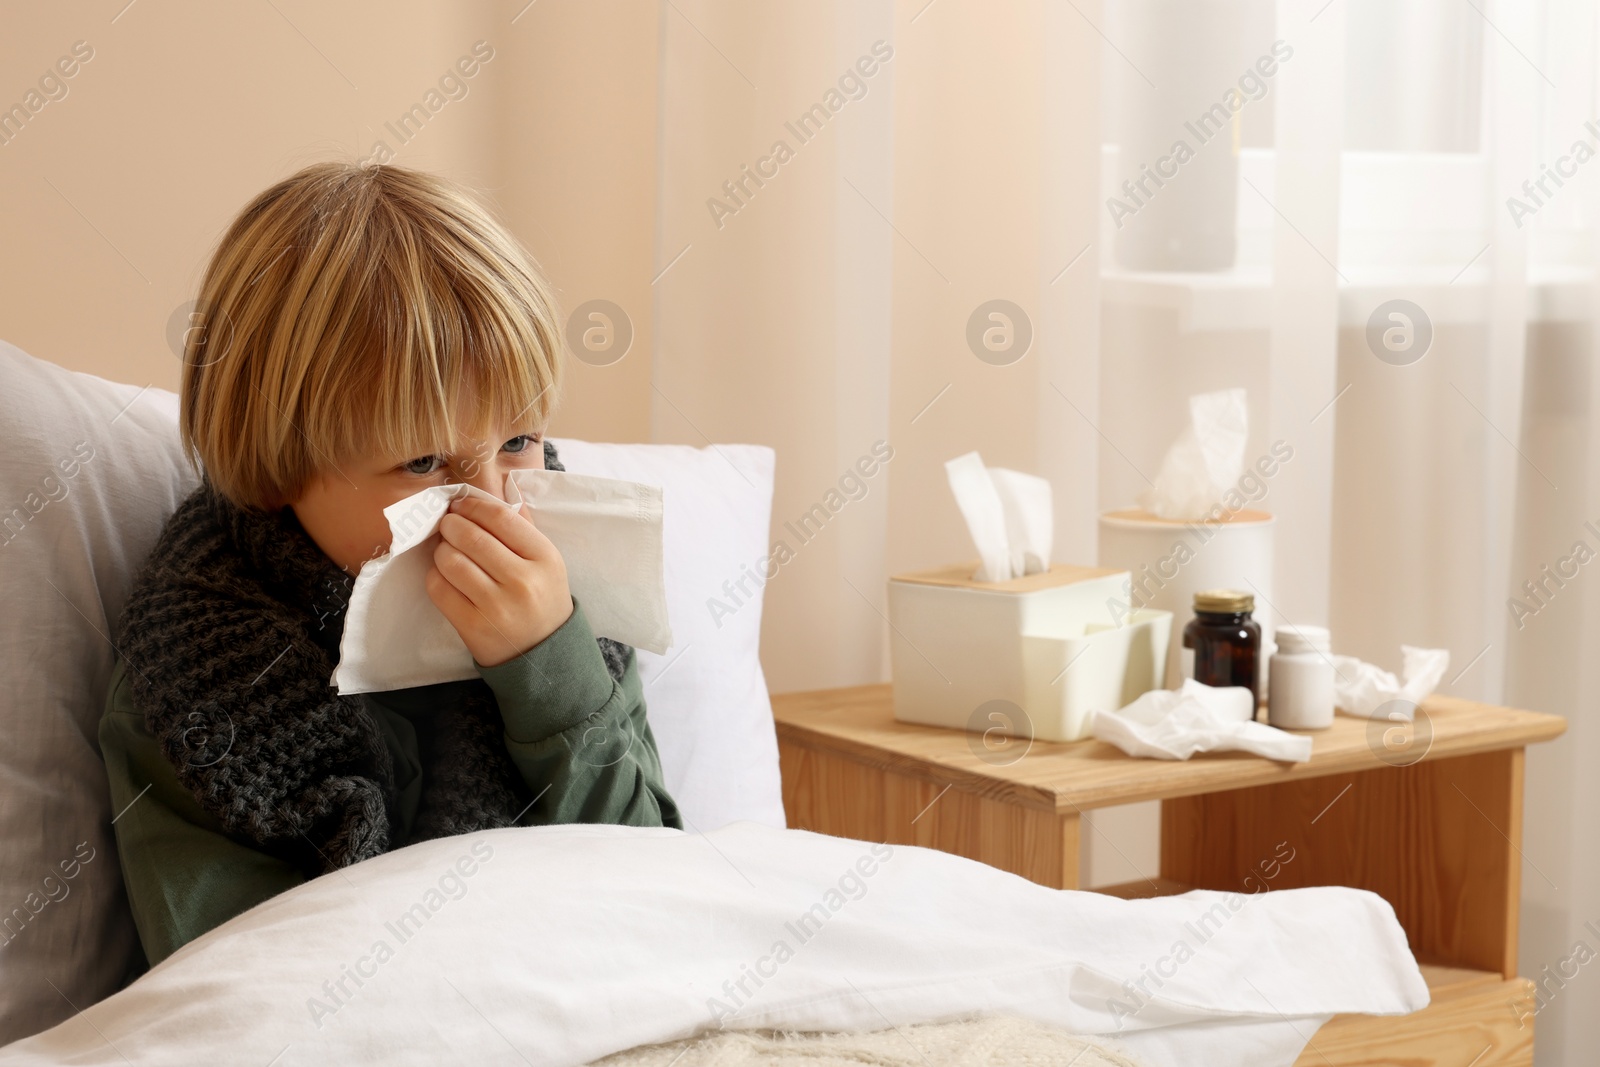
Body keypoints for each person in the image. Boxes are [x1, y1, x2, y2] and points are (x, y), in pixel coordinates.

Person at [99, 161, 681, 977]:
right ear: (277, 471)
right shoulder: (192, 666)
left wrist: (551, 670)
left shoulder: (568, 595)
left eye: (517, 441)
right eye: (422, 461)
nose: (494, 506)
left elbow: (658, 879)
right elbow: (230, 984)